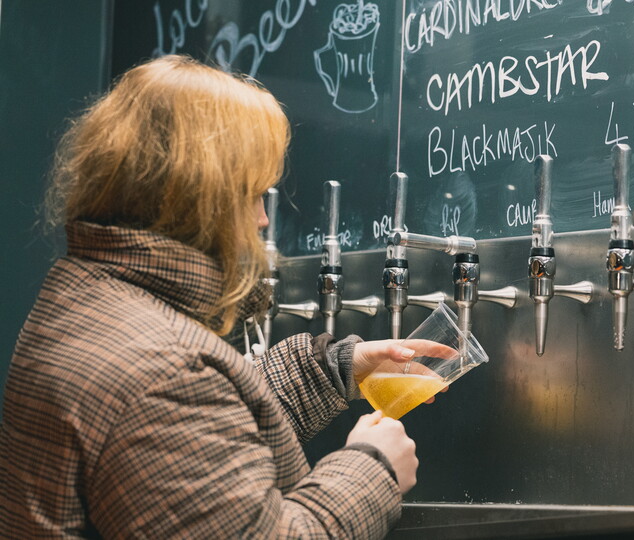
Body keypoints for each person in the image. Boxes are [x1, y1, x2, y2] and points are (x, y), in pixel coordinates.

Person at [0, 54, 422, 538]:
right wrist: (373, 470)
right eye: (253, 194)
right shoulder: (162, 373)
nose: (263, 219)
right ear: (202, 199)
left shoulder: (87, 296)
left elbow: (195, 449)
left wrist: (331, 369)